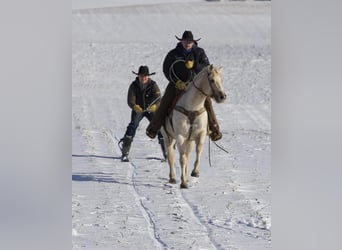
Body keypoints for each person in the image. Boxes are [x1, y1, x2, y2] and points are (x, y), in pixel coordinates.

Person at [146, 30, 222, 141]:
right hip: (177, 84)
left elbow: (207, 68)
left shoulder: (200, 53)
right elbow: (166, 69)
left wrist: (194, 66)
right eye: (186, 41)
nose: (188, 43)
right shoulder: (173, 54)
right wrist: (176, 82)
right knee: (165, 101)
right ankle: (153, 127)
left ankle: (214, 129)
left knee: (207, 102)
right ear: (181, 41)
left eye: (190, 41)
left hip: (196, 86)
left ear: (193, 42)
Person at [119, 65, 167, 162]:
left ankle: (166, 153)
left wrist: (155, 107)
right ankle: (125, 152)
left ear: (148, 76)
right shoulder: (133, 85)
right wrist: (135, 106)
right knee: (133, 126)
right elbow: (130, 99)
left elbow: (158, 98)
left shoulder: (153, 85)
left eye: (145, 76)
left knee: (159, 127)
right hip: (138, 110)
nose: (143, 78)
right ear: (138, 76)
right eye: (141, 76)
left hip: (151, 110)